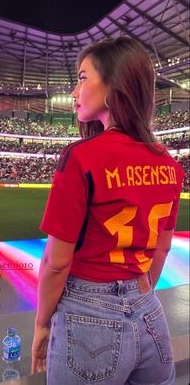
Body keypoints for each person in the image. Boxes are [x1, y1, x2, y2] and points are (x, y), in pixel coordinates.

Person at [31, 37, 184, 384]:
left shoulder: (82, 157)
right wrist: (137, 293)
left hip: (88, 318)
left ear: (114, 85)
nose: (74, 92)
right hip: (150, 314)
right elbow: (161, 248)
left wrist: (42, 324)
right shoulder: (170, 166)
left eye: (82, 78)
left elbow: (56, 263)